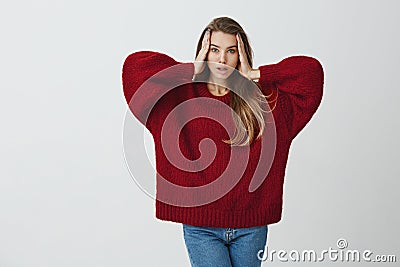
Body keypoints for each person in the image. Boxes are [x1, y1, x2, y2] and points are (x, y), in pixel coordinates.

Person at [122, 16, 324, 267]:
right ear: (203, 52)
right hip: (201, 228)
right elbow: (133, 68)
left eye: (231, 51)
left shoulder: (265, 101)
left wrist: (255, 74)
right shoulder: (176, 98)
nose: (221, 59)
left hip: (251, 228)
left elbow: (312, 73)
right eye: (214, 50)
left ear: (241, 55)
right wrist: (190, 70)